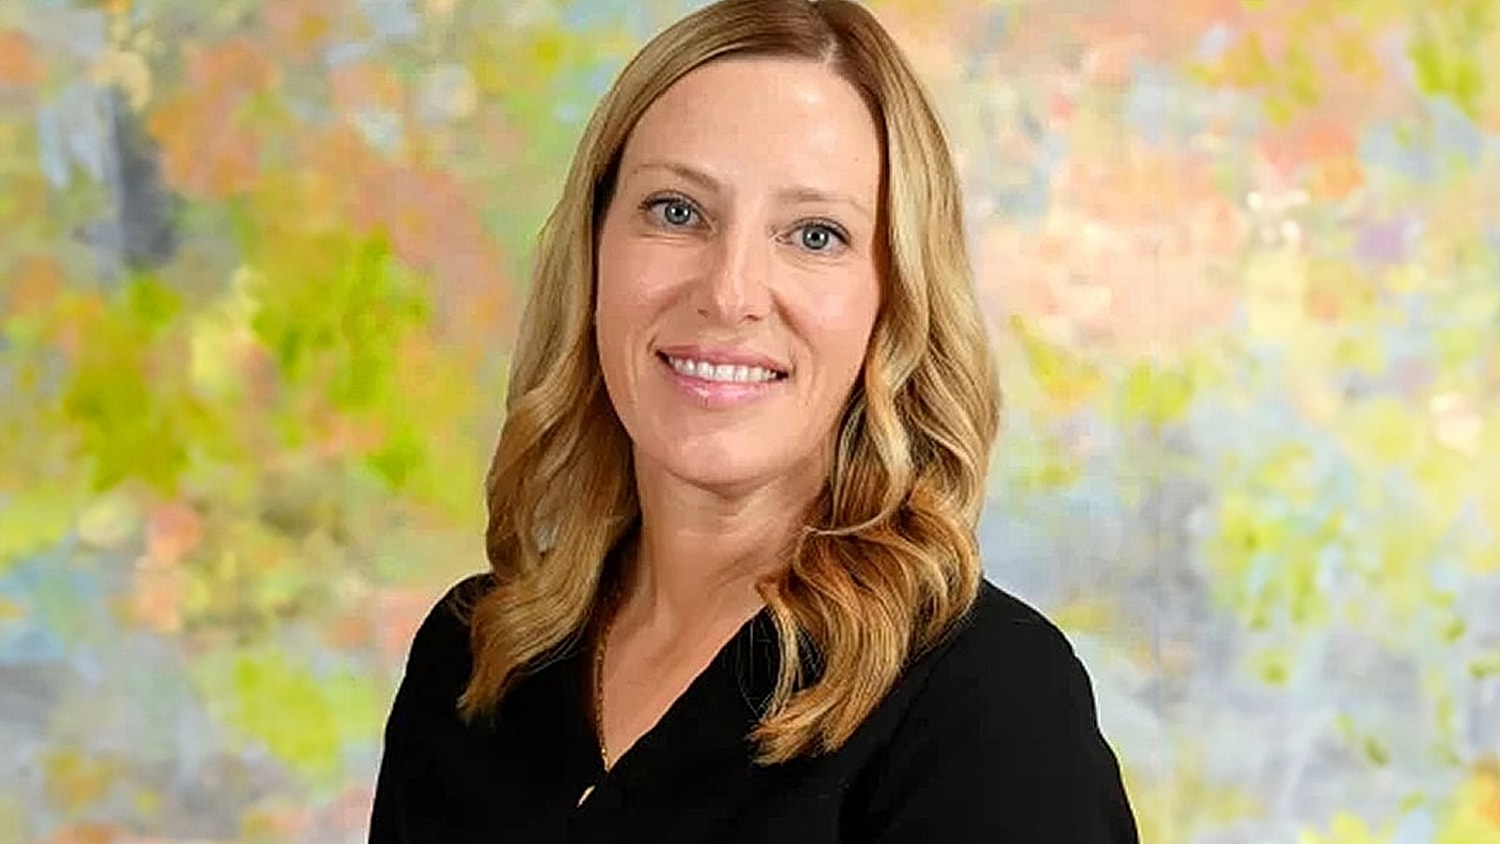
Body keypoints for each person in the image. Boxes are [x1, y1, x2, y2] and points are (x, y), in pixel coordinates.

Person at [369, 0, 1139, 840]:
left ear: (895, 300)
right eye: (676, 211)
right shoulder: (475, 660)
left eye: (815, 234)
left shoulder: (988, 705)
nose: (729, 292)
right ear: (594, 250)